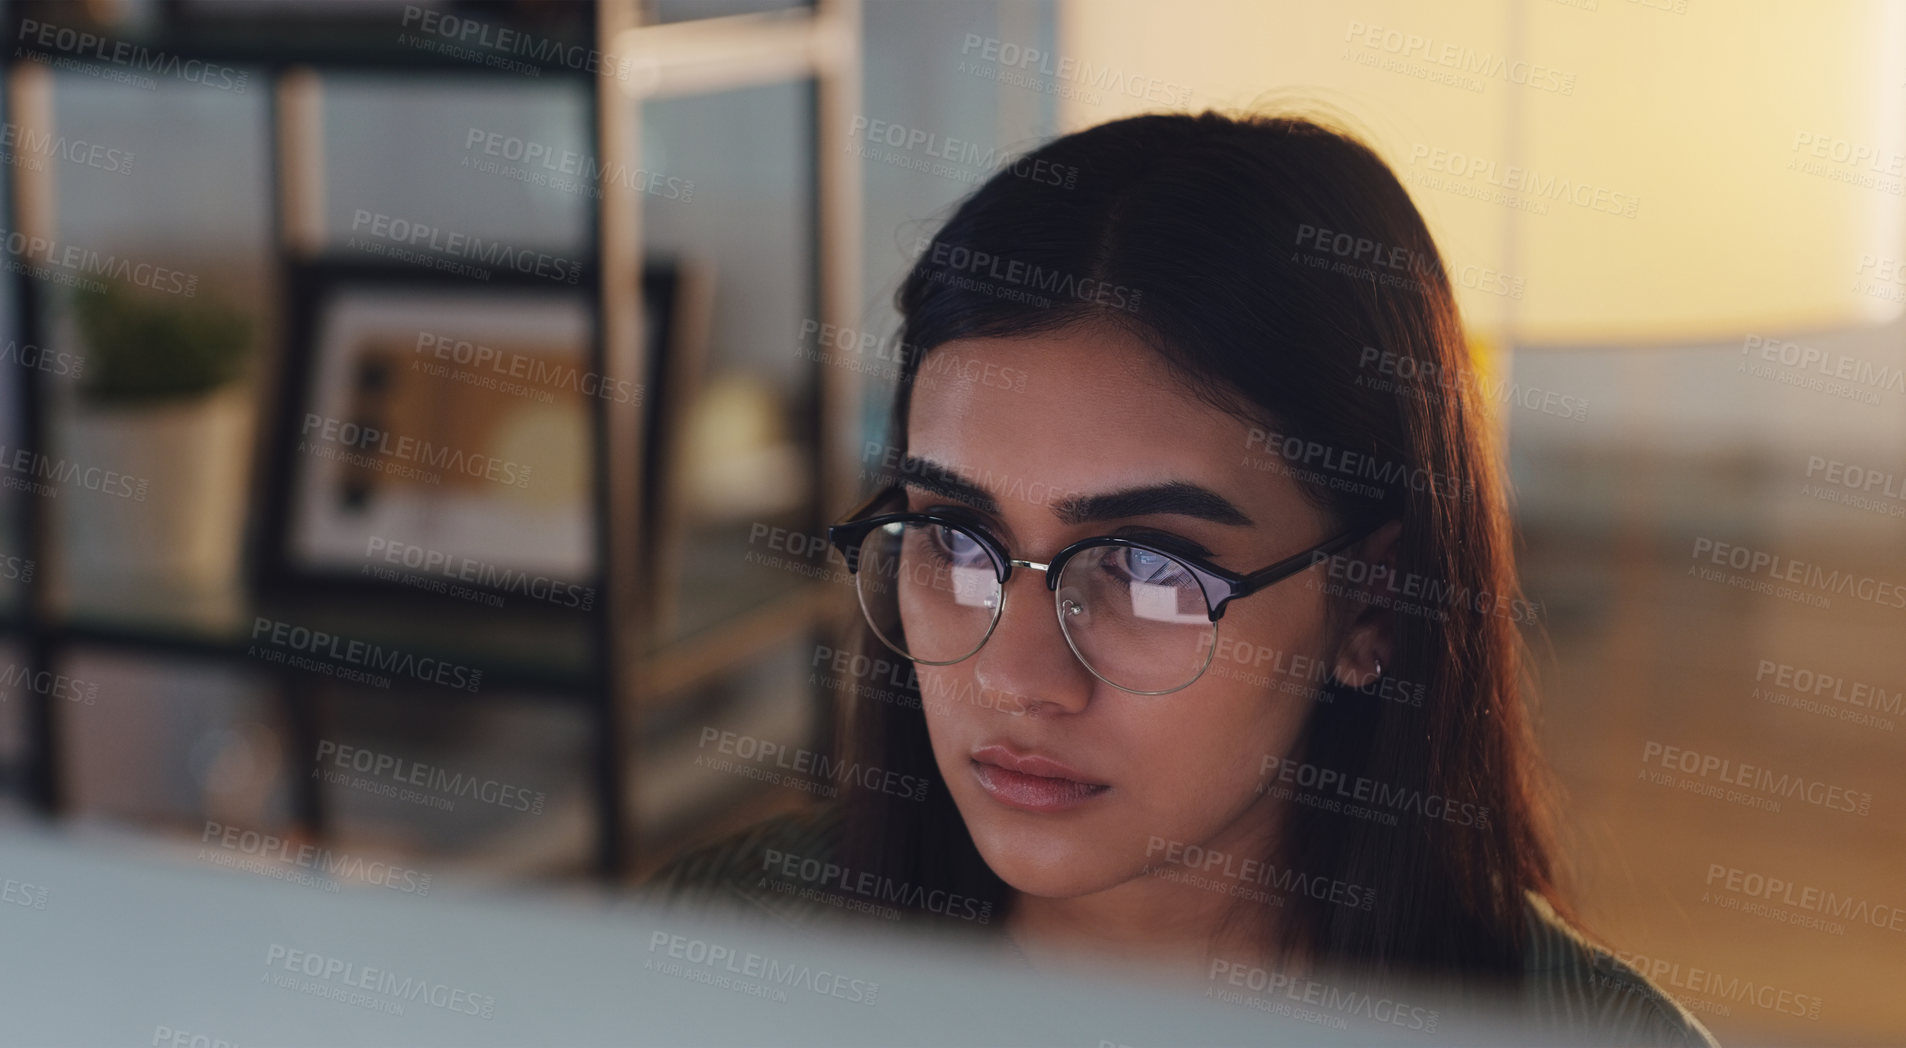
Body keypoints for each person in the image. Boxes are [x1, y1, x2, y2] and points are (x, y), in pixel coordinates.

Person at [644, 109, 1719, 1046]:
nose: (1019, 678)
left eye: (1146, 569)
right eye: (955, 538)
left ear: (1373, 601)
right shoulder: (692, 966)